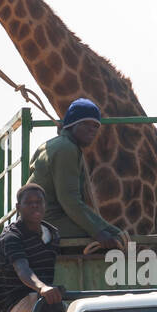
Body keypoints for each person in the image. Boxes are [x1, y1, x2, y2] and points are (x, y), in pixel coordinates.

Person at [27, 98, 127, 251]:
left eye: (95, 126)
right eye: (86, 124)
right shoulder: (66, 149)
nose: (91, 130)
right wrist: (101, 233)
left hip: (36, 220)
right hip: (47, 222)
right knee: (107, 241)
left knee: (111, 233)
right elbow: (70, 200)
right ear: (72, 124)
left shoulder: (52, 145)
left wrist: (110, 230)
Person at [0, 183, 62, 312]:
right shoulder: (11, 237)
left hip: (42, 300)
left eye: (39, 201)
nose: (34, 205)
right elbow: (23, 270)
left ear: (45, 205)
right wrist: (43, 287)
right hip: (18, 303)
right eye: (28, 202)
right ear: (18, 207)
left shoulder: (52, 234)